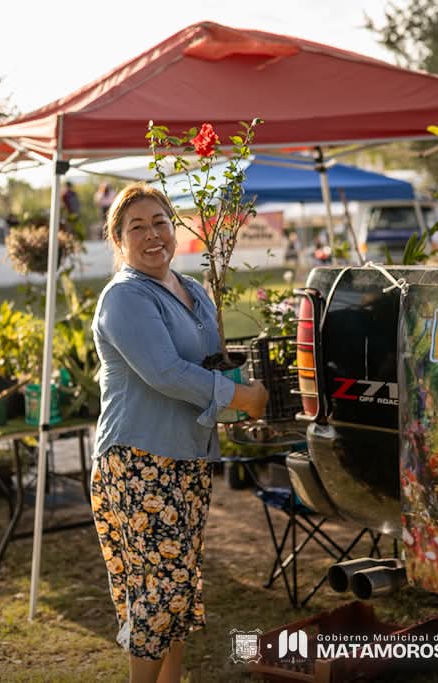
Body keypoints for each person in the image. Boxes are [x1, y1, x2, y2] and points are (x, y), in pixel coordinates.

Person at [90, 183, 268, 683]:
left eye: (160, 222)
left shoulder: (191, 290)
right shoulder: (124, 297)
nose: (152, 235)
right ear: (118, 241)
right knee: (158, 592)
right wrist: (242, 398)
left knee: (178, 586)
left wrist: (243, 390)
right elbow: (165, 372)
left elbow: (208, 363)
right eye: (136, 227)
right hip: (139, 460)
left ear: (176, 227)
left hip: (187, 456)